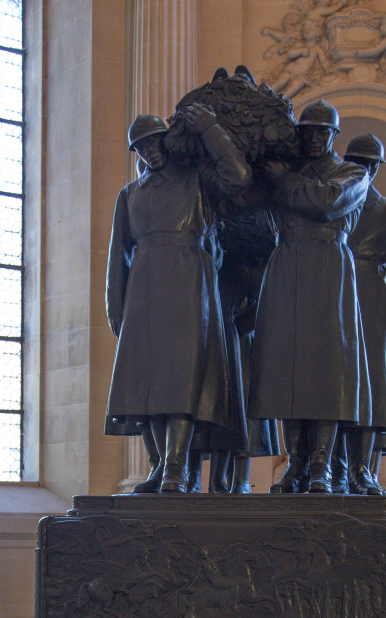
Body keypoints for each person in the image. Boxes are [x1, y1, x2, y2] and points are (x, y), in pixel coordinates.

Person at [105, 105, 252, 493]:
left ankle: (177, 468)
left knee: (182, 378)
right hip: (143, 287)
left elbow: (238, 178)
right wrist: (115, 306)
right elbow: (119, 253)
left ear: (166, 140)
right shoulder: (130, 194)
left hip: (190, 281)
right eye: (140, 147)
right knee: (147, 381)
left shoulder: (196, 179)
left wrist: (212, 130)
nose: (149, 151)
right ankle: (159, 467)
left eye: (153, 142)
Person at [248, 99, 370, 493]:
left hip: (328, 267)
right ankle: (296, 462)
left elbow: (326, 201)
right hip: (285, 266)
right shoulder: (285, 170)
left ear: (334, 136)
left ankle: (323, 465)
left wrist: (283, 180)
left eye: (323, 132)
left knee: (326, 369)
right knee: (285, 370)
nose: (315, 138)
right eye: (309, 131)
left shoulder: (352, 172)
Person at [340, 132, 386, 494]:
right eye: (356, 163)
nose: (363, 170)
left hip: (371, 299)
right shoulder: (333, 207)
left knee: (371, 388)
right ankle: (333, 469)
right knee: (334, 387)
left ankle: (363, 470)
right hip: (335, 296)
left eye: (369, 165)